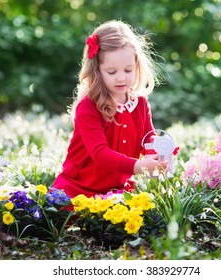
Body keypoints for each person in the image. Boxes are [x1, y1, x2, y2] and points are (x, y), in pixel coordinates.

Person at [53, 20, 167, 199]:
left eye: (128, 70)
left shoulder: (140, 104)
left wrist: (161, 152)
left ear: (137, 65)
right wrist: (139, 166)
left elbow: (148, 140)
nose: (121, 78)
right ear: (96, 71)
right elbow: (100, 154)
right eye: (112, 72)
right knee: (70, 222)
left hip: (116, 191)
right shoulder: (89, 106)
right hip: (78, 189)